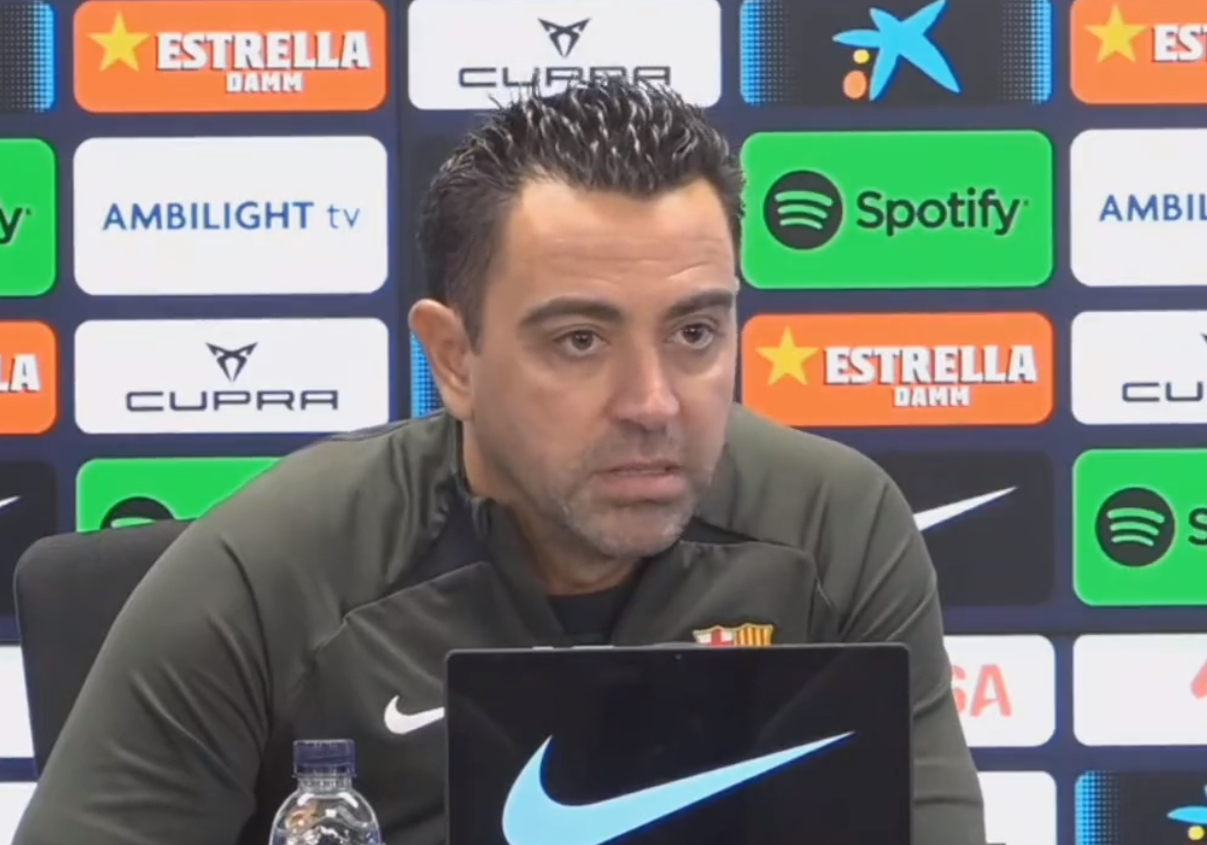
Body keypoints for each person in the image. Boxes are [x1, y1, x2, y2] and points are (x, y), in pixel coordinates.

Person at [13, 77, 984, 845]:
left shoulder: (834, 525)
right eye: (579, 340)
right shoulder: (270, 568)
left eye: (694, 331)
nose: (653, 402)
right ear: (454, 358)